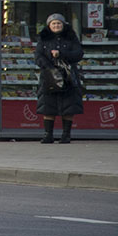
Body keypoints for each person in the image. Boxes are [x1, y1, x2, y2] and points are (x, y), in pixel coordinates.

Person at [35, 13, 83, 144]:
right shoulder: (43, 38)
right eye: (53, 23)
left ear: (63, 24)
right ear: (49, 25)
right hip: (49, 75)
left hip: (67, 76)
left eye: (59, 23)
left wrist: (62, 54)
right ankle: (48, 134)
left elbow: (78, 54)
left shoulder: (71, 37)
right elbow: (38, 55)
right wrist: (49, 67)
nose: (56, 26)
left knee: (68, 105)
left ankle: (66, 135)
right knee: (48, 105)